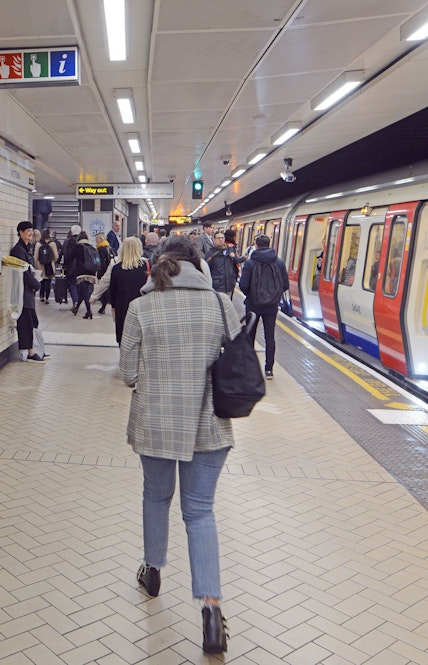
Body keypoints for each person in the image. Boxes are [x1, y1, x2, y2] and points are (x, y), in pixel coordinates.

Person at [118, 234, 240, 655]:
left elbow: (128, 373)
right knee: (200, 513)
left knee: (156, 497)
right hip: (209, 425)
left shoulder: (140, 308)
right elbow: (239, 359)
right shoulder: (223, 305)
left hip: (155, 423)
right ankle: (210, 610)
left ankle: (152, 570)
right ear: (199, 266)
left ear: (157, 266)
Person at [239, 234, 289, 380]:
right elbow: (285, 284)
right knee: (270, 336)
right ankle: (269, 369)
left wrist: (251, 295)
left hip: (253, 305)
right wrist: (274, 297)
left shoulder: (250, 263)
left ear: (256, 245)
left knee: (250, 335)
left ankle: (249, 368)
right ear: (269, 244)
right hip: (271, 306)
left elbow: (243, 285)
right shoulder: (279, 262)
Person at [11, 221, 46, 362]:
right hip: (22, 292)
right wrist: (36, 284)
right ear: (20, 232)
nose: (30, 233)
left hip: (28, 291)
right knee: (26, 321)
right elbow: (23, 272)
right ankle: (30, 352)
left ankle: (36, 348)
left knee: (32, 320)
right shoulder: (18, 250)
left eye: (31, 230)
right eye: (27, 231)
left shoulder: (27, 248)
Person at [105, 237, 148, 344]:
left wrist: (113, 307)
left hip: (122, 307)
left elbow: (112, 291)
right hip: (142, 307)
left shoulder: (116, 269)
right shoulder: (147, 267)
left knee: (123, 337)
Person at [68, 231, 98, 318]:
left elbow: (70, 258)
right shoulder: (92, 247)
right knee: (82, 291)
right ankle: (77, 308)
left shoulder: (78, 247)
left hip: (82, 273)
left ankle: (89, 311)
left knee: (85, 292)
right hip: (92, 272)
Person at [204, 230, 240, 297]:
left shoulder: (230, 250)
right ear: (214, 239)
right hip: (217, 286)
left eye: (222, 238)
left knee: (228, 305)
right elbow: (206, 268)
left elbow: (236, 263)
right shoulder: (210, 253)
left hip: (229, 285)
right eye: (218, 238)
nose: (221, 240)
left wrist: (234, 257)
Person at [34, 229, 59, 303]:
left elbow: (35, 256)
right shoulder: (52, 244)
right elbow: (56, 256)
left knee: (42, 281)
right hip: (49, 265)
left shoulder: (38, 244)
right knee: (48, 281)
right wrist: (52, 261)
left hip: (40, 265)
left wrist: (36, 265)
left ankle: (41, 296)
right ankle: (47, 298)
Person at [62, 224, 82, 309]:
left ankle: (75, 301)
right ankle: (77, 301)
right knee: (78, 284)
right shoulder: (82, 242)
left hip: (70, 266)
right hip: (80, 267)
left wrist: (65, 265)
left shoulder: (67, 242)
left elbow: (65, 254)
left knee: (71, 284)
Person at [93, 232, 114, 314]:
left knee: (104, 289)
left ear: (100, 239)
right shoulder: (109, 247)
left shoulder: (101, 249)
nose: (96, 240)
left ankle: (103, 306)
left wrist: (99, 273)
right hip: (110, 270)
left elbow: (101, 263)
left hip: (103, 272)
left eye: (97, 239)